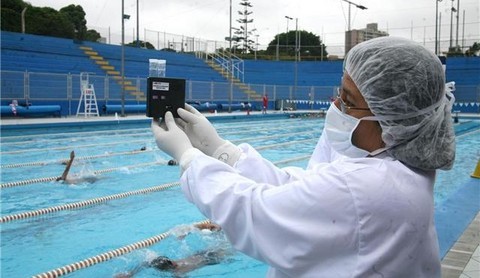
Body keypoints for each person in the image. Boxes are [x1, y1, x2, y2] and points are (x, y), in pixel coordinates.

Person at [151, 37, 455, 277]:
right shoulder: (391, 169)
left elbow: (257, 213)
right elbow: (299, 189)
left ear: (391, 117)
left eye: (348, 102)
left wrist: (187, 156)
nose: (336, 106)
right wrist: (219, 149)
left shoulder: (365, 186)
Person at [115, 223, 227, 278]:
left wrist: (130, 273)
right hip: (201, 254)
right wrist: (130, 273)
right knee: (220, 240)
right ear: (171, 261)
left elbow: (146, 263)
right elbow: (146, 263)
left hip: (213, 259)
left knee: (223, 244)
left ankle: (216, 228)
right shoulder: (174, 264)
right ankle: (216, 228)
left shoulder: (179, 272)